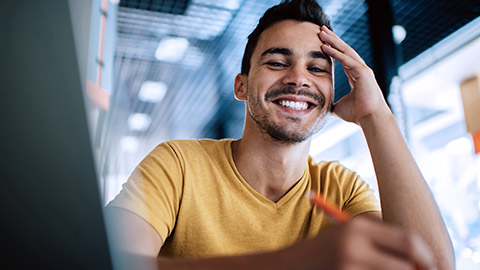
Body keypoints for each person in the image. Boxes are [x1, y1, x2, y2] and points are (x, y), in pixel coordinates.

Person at [105, 0, 454, 269]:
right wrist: (292, 262)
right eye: (276, 62)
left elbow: (430, 266)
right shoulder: (178, 166)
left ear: (331, 94)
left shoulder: (341, 189)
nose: (299, 79)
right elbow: (99, 262)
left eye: (317, 68)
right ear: (241, 86)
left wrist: (377, 116)